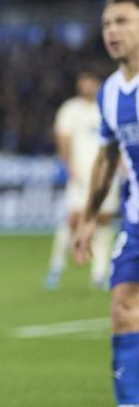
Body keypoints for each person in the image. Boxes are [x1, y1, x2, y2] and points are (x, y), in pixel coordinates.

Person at [74, 0, 139, 407]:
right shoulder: (111, 92)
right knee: (122, 309)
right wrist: (90, 216)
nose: (112, 31)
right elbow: (106, 155)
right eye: (106, 24)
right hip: (135, 221)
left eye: (122, 21)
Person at [48, 72, 118, 290]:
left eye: (91, 80)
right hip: (80, 176)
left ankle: (99, 274)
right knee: (74, 219)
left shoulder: (107, 105)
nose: (87, 84)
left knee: (104, 220)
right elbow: (62, 137)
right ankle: (56, 267)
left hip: (106, 174)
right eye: (83, 80)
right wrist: (68, 165)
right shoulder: (71, 109)